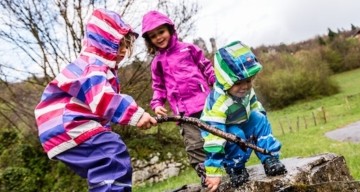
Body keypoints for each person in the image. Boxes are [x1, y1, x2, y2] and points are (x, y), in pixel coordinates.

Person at [34, 8, 157, 192]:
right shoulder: (93, 66)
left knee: (105, 165)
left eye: (126, 46)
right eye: (119, 45)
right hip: (68, 124)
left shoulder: (96, 68)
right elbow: (102, 99)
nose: (123, 51)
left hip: (62, 127)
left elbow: (97, 110)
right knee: (111, 155)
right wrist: (135, 115)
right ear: (104, 42)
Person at [141, 10, 216, 186]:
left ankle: (231, 167)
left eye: (161, 32)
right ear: (149, 40)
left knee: (216, 138)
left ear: (170, 29)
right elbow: (158, 87)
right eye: (153, 36)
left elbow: (206, 67)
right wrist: (157, 103)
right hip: (183, 112)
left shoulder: (188, 49)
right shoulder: (157, 63)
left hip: (206, 104)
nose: (158, 37)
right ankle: (206, 176)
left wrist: (217, 83)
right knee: (194, 145)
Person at [200, 41, 287, 191]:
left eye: (248, 81)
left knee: (259, 118)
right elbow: (215, 136)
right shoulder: (219, 103)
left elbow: (254, 105)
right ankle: (236, 168)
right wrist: (214, 171)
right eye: (238, 82)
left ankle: (269, 158)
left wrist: (262, 124)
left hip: (242, 120)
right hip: (221, 130)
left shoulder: (246, 91)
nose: (245, 86)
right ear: (226, 80)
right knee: (235, 133)